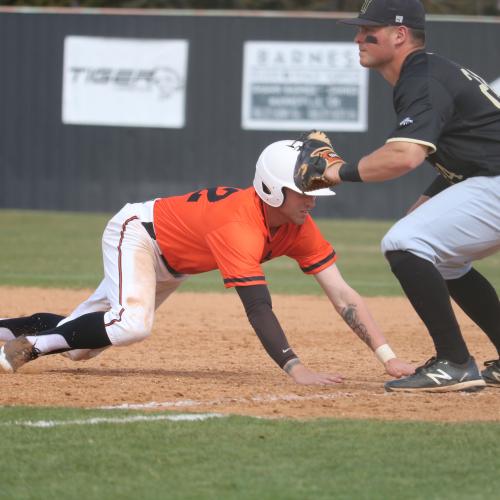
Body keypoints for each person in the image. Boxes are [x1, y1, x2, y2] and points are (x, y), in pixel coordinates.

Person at [0, 139, 414, 385]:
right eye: (303, 190)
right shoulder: (240, 225)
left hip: (174, 261)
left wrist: (387, 356)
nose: (311, 199)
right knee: (131, 324)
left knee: (81, 348)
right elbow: (258, 306)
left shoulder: (298, 224)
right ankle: (29, 348)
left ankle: (7, 331)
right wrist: (295, 368)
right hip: (140, 234)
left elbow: (342, 292)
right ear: (271, 189)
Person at [296, 0, 500, 392]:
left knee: (404, 242)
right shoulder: (427, 73)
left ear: (399, 34)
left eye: (368, 29)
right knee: (440, 256)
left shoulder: (421, 78)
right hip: (488, 177)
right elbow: (475, 154)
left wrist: (337, 172)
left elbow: (404, 156)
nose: (358, 37)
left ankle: (455, 363)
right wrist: (424, 205)